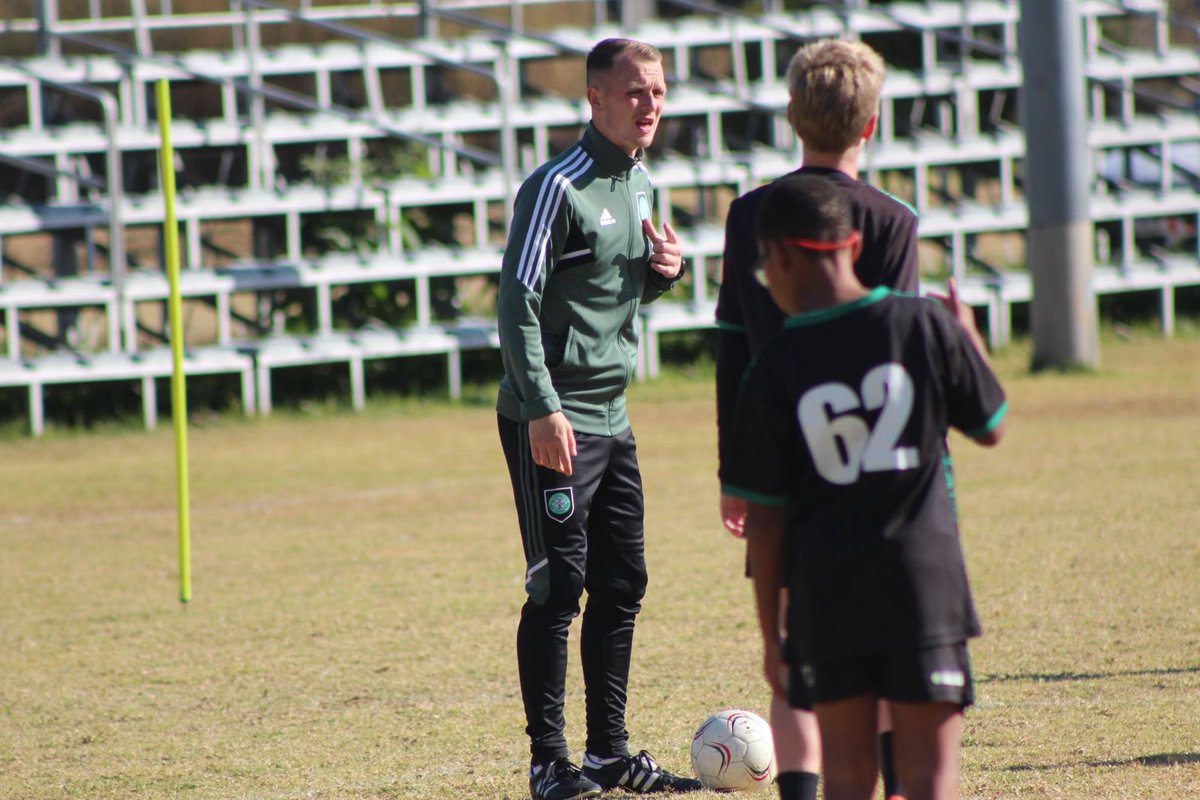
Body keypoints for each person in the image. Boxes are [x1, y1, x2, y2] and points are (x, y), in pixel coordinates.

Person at [722, 173, 1007, 800]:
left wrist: (774, 638)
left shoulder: (773, 367)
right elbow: (991, 425)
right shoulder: (924, 324)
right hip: (923, 586)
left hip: (828, 594)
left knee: (848, 782)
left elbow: (766, 523)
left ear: (780, 257)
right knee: (931, 781)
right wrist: (969, 337)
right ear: (853, 244)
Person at [495, 37, 702, 800]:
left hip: (613, 415)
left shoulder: (642, 184)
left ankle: (608, 755)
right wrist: (543, 408)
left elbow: (605, 296)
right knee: (560, 584)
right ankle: (549, 763)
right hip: (548, 414)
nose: (650, 105)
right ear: (595, 99)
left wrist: (662, 279)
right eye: (634, 92)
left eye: (657, 91)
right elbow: (516, 303)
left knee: (624, 580)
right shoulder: (556, 186)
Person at [715, 38, 920, 800]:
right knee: (893, 642)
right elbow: (904, 352)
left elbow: (732, 350)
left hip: (783, 459)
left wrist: (733, 474)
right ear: (872, 125)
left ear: (792, 116)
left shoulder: (748, 214)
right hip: (880, 460)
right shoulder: (893, 219)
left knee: (796, 645)